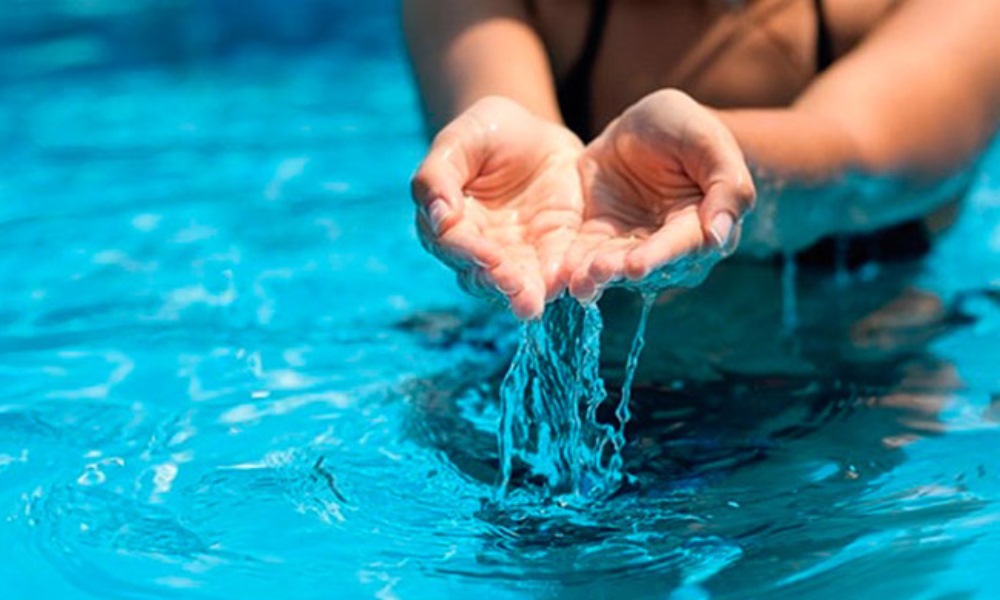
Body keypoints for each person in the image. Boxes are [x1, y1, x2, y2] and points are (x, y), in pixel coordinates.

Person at [403, 0, 1000, 320]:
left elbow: (857, 166)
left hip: (859, 387)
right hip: (591, 395)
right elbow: (499, 110)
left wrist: (712, 160)